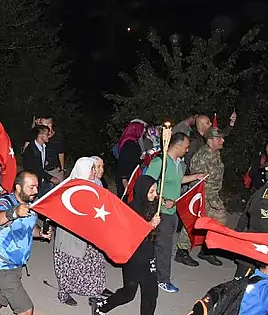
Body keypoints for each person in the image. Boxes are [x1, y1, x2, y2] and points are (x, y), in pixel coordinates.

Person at [0, 171, 52, 315]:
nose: (36, 191)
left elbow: (29, 228)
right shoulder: (6, 202)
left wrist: (41, 233)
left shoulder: (30, 205)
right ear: (18, 188)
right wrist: (14, 213)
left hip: (15, 265)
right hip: (1, 265)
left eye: (37, 187)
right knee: (26, 311)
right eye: (31, 187)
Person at [91, 175, 162, 315]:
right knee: (129, 293)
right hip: (133, 257)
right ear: (142, 191)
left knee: (151, 293)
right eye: (151, 191)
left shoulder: (154, 206)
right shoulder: (131, 209)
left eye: (156, 191)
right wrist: (149, 225)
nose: (155, 195)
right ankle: (101, 306)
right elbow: (130, 234)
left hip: (148, 256)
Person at [144, 132, 205, 293]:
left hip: (172, 211)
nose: (187, 150)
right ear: (177, 146)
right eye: (185, 147)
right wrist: (164, 201)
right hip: (160, 211)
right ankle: (162, 279)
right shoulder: (160, 162)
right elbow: (146, 185)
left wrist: (195, 177)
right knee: (164, 247)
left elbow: (177, 180)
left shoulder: (177, 163)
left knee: (160, 245)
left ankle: (153, 273)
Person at [54, 157, 111, 306]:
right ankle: (64, 293)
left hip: (91, 232)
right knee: (69, 263)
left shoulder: (96, 184)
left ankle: (94, 291)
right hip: (70, 234)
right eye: (92, 168)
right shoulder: (70, 187)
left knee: (94, 263)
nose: (95, 171)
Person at [187, 127, 228, 267]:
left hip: (212, 195)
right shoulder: (203, 157)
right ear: (210, 140)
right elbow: (201, 182)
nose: (222, 140)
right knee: (195, 223)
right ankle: (182, 251)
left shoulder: (215, 153)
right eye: (219, 138)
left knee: (212, 225)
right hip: (204, 196)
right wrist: (213, 201)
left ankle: (207, 251)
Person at [235, 182, 268, 278]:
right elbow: (257, 217)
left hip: (257, 244)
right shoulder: (264, 195)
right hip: (259, 246)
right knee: (243, 285)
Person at [21, 125, 59, 195]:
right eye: (47, 134)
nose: (49, 136)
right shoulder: (30, 150)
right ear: (41, 135)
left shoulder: (44, 147)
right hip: (32, 184)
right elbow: (34, 169)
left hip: (41, 180)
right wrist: (50, 178)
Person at [115, 122, 145, 198]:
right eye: (141, 129)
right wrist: (124, 178)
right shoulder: (129, 143)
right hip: (127, 176)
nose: (144, 131)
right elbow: (123, 160)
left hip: (131, 174)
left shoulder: (133, 141)